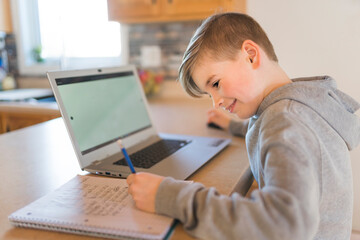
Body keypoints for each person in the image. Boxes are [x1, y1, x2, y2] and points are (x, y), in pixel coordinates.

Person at [126, 12, 360, 239]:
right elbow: (272, 129)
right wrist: (236, 127)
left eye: (215, 83)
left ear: (250, 54)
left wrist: (169, 196)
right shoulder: (296, 108)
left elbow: (284, 226)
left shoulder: (286, 123)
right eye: (209, 94)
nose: (216, 102)